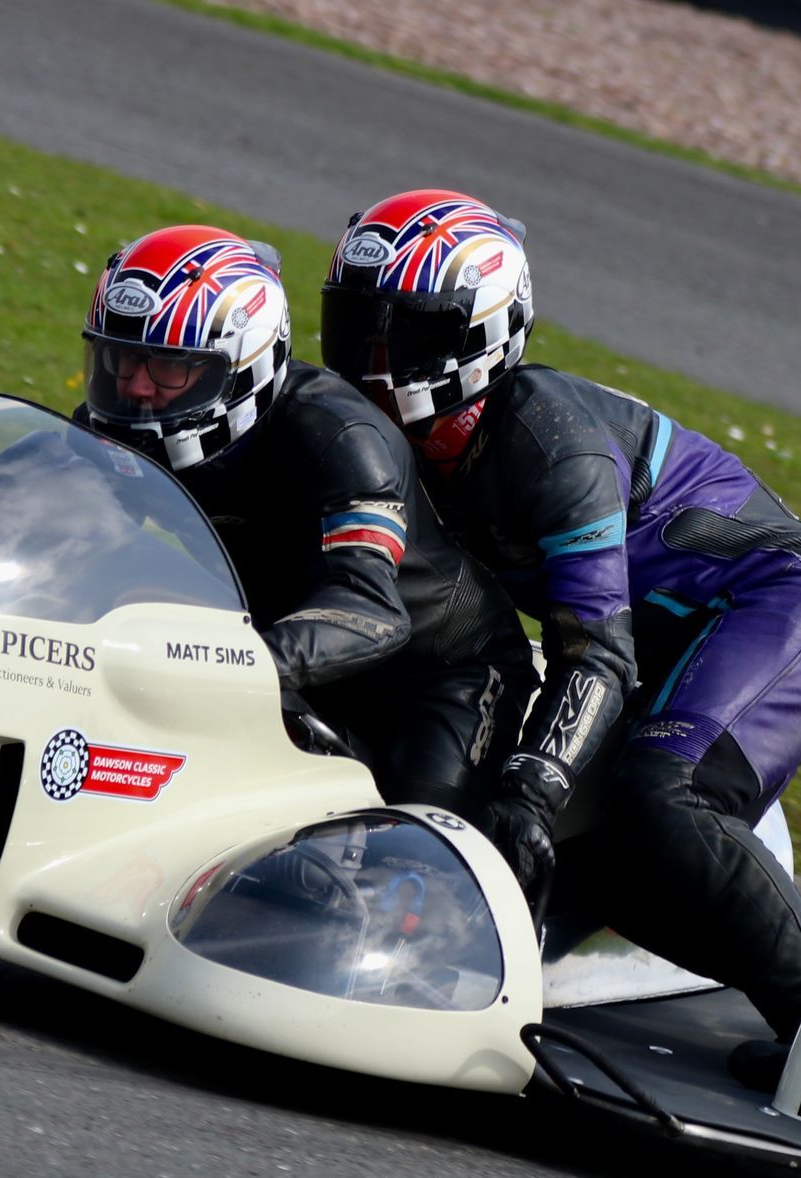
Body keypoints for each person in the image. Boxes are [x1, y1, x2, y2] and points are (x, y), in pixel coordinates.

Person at [318, 190, 801, 1087]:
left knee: (662, 799)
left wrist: (532, 789)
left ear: (478, 336)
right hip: (657, 645)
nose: (375, 363)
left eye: (405, 335)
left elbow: (596, 653)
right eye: (359, 329)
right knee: (612, 866)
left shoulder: (551, 446)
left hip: (783, 607)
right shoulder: (404, 447)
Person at [78, 224, 534, 820]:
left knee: (414, 856)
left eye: (170, 369)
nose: (136, 387)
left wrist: (230, 665)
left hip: (438, 679)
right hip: (290, 654)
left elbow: (370, 613)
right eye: (121, 359)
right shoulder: (121, 418)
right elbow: (53, 513)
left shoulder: (342, 438)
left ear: (238, 371)